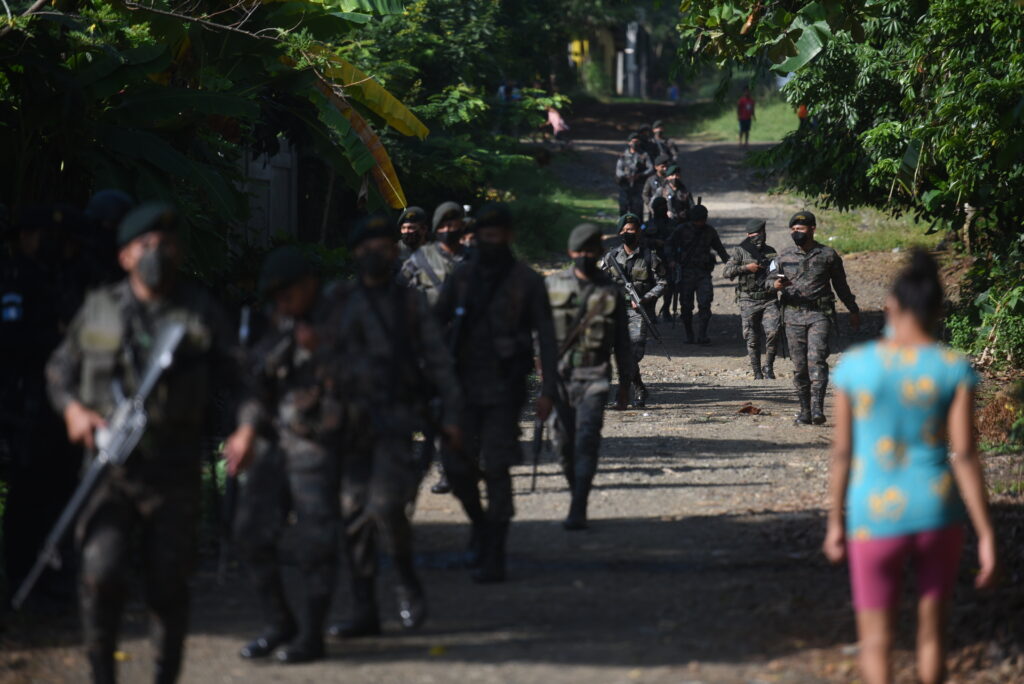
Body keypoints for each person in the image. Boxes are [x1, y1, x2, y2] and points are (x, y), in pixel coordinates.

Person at [46, 202, 259, 684]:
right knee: (100, 576)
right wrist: (75, 410)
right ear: (124, 256)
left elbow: (243, 379)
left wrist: (244, 429)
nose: (157, 253)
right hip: (109, 473)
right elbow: (60, 371)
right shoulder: (101, 309)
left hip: (174, 473)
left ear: (180, 252)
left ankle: (165, 675)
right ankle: (103, 675)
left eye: (166, 245)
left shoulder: (199, 311)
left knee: (169, 586)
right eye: (146, 245)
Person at [823, 250, 998, 684]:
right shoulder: (952, 367)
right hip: (937, 511)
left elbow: (843, 452)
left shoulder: (856, 368)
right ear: (937, 311)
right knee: (932, 635)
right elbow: (966, 455)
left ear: (891, 307)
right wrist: (987, 533)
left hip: (874, 514)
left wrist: (834, 522)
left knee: (877, 641)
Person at [324, 215, 463, 636]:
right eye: (369, 247)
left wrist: (451, 417)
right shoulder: (337, 299)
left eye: (385, 247)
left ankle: (406, 586)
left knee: (386, 507)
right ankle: (364, 607)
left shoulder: (408, 302)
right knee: (351, 516)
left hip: (393, 421)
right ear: (355, 253)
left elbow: (438, 361)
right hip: (346, 424)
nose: (378, 254)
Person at [227, 246, 344, 664]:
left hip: (321, 444)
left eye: (286, 295)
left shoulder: (341, 315)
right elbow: (257, 387)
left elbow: (374, 379)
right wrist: (244, 430)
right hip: (276, 443)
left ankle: (311, 635)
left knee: (315, 544)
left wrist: (323, 351)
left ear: (309, 285)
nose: (281, 304)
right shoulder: (279, 320)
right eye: (274, 298)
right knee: (250, 533)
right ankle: (279, 623)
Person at [434, 203, 558, 583]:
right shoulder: (462, 276)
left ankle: (494, 552)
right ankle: (480, 524)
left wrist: (549, 389)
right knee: (456, 468)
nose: (491, 241)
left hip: (505, 390)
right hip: (461, 388)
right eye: (484, 235)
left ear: (508, 237)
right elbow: (433, 329)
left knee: (498, 467)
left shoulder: (527, 281)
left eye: (497, 235)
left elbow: (548, 339)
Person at [546, 224, 632, 530]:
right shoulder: (552, 287)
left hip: (595, 377)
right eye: (579, 251)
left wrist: (625, 385)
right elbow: (538, 338)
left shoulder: (610, 291)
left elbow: (622, 341)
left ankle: (578, 504)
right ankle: (576, 487)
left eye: (590, 251)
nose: (584, 256)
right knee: (562, 444)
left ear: (598, 253)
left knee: (586, 440)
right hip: (558, 379)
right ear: (571, 253)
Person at [400, 200, 467, 495]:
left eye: (455, 224)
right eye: (445, 224)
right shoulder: (417, 262)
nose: (450, 230)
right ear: (436, 229)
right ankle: (444, 470)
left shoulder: (474, 260)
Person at [771, 211, 860, 425]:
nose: (796, 233)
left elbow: (841, 285)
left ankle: (818, 409)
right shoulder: (783, 256)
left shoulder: (827, 255)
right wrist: (773, 285)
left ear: (812, 229)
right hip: (792, 317)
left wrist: (853, 309)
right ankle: (804, 411)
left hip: (819, 315)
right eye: (793, 230)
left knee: (817, 360)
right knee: (800, 366)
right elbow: (768, 280)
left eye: (800, 230)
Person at [600, 213, 667, 408]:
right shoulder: (611, 257)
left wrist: (646, 298)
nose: (629, 233)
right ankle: (637, 389)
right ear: (620, 232)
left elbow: (663, 282)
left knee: (632, 353)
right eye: (626, 229)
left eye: (633, 229)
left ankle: (625, 393)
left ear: (639, 232)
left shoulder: (649, 257)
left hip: (639, 312)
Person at [723, 219, 781, 379]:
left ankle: (768, 366)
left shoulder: (771, 252)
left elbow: (777, 272)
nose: (758, 238)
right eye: (754, 235)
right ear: (748, 235)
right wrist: (745, 268)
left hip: (769, 299)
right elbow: (726, 272)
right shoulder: (740, 251)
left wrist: (778, 281)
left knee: (773, 332)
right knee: (751, 337)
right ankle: (757, 371)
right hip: (748, 299)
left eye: (760, 234)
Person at [668, 204, 729, 344]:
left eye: (702, 220)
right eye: (697, 220)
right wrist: (671, 260)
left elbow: (720, 250)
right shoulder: (681, 230)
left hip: (703, 273)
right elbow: (669, 244)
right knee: (686, 306)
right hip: (686, 273)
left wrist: (731, 266)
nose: (700, 223)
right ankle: (689, 334)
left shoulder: (709, 231)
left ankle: (702, 335)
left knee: (705, 303)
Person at [615, 132, 653, 216]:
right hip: (625, 185)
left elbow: (650, 168)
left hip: (638, 185)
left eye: (637, 141)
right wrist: (626, 176)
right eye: (633, 141)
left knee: (637, 209)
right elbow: (618, 170)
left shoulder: (643, 155)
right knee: (623, 207)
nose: (635, 144)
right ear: (629, 142)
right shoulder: (624, 155)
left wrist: (641, 174)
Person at [641, 153, 671, 222]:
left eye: (666, 166)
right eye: (662, 166)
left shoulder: (670, 179)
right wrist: (650, 206)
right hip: (654, 212)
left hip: (668, 211)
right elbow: (645, 194)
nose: (665, 168)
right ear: (656, 167)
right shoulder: (650, 180)